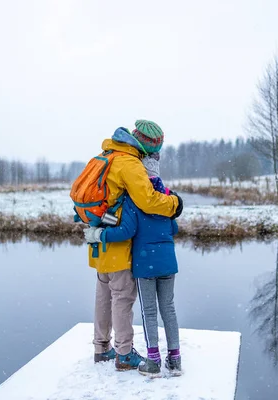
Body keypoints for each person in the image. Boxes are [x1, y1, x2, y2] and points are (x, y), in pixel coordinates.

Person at [86, 120, 183, 371]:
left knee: (103, 294)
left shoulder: (106, 155)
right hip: (118, 242)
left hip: (99, 237)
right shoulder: (129, 163)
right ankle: (124, 353)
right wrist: (174, 205)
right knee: (123, 297)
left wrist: (99, 234)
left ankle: (101, 347)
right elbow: (148, 200)